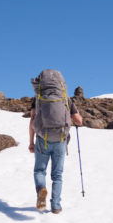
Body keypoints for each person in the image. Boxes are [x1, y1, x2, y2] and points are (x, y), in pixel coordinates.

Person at [28, 69, 83, 214]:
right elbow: (79, 120)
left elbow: (32, 120)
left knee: (40, 170)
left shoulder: (38, 97)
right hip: (60, 140)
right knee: (57, 175)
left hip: (42, 138)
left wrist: (31, 142)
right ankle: (56, 206)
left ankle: (41, 190)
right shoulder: (65, 97)